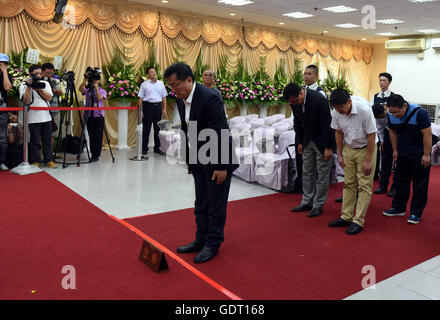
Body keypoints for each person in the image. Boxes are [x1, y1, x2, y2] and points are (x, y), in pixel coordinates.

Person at [164, 62, 238, 264]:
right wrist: (190, 159)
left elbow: (221, 130)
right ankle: (200, 239)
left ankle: (212, 244)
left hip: (218, 160)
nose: (173, 90)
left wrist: (222, 166)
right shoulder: (181, 99)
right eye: (170, 86)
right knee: (201, 203)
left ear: (189, 80)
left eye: (176, 85)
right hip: (199, 159)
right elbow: (189, 131)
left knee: (215, 205)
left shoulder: (209, 97)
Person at [328, 89, 378, 235]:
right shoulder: (336, 112)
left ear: (349, 101)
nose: (339, 111)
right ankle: (346, 216)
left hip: (365, 147)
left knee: (364, 185)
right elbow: (338, 132)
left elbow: (371, 135)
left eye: (341, 107)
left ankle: (358, 220)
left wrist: (368, 160)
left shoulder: (364, 110)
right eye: (336, 108)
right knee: (349, 183)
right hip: (349, 147)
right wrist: (340, 153)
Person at [283, 83, 334, 217]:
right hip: (306, 141)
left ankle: (318, 205)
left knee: (322, 174)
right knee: (307, 171)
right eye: (291, 103)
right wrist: (299, 141)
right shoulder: (293, 101)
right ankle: (307, 201)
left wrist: (328, 147)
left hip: (322, 141)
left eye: (295, 101)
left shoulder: (318, 99)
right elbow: (297, 122)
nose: (294, 104)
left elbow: (327, 125)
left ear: (301, 93)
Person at [382, 94, 432, 225]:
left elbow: (427, 134)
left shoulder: (420, 113)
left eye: (397, 113)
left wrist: (427, 154)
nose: (394, 115)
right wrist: (395, 150)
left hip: (419, 153)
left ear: (404, 106)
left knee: (419, 184)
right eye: (391, 112)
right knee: (400, 181)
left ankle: (416, 212)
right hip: (402, 152)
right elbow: (392, 132)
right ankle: (398, 207)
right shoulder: (391, 113)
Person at [287, 65, 327, 194]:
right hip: (303, 134)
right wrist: (299, 139)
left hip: (316, 134)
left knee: (315, 166)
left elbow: (324, 121)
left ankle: (313, 192)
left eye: (309, 74)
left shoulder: (320, 94)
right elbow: (297, 118)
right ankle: (300, 186)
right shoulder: (297, 92)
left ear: (316, 76)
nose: (306, 76)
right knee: (302, 163)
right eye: (305, 74)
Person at [19, 64, 57, 168]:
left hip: (46, 117)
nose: (39, 76)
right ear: (30, 74)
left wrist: (38, 89)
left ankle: (48, 160)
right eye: (36, 74)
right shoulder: (23, 85)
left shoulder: (45, 84)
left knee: (47, 140)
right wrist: (29, 87)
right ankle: (36, 161)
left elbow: (49, 98)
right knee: (34, 141)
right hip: (32, 118)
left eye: (40, 73)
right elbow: (26, 101)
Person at [372, 72, 396, 197]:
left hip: (396, 131)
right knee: (385, 159)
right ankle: (383, 185)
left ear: (389, 82)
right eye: (380, 80)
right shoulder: (375, 97)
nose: (382, 82)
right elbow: (377, 121)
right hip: (384, 132)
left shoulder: (394, 97)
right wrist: (381, 139)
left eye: (384, 80)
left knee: (397, 160)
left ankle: (395, 187)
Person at [138, 67, 168, 155]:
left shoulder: (161, 83)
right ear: (148, 75)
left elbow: (164, 97)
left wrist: (164, 109)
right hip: (148, 107)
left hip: (158, 107)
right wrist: (141, 111)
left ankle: (157, 148)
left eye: (154, 72)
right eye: (151, 72)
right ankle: (144, 148)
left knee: (157, 129)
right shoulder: (144, 84)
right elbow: (140, 98)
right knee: (146, 128)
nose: (154, 73)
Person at [79, 70, 106, 162]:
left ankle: (96, 155)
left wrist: (96, 88)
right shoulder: (88, 91)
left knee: (98, 136)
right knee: (91, 135)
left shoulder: (102, 91)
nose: (95, 80)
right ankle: (92, 153)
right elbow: (80, 89)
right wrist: (85, 80)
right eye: (94, 79)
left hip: (99, 116)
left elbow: (99, 98)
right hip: (89, 116)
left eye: (96, 79)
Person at [42, 63, 63, 154]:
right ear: (42, 71)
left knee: (53, 133)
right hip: (42, 111)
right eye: (47, 72)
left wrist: (56, 91)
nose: (49, 74)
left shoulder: (54, 81)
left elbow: (60, 92)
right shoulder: (39, 81)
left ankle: (49, 154)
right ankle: (41, 154)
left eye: (51, 72)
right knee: (41, 133)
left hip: (54, 109)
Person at [0, 53, 13, 171]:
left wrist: (4, 72)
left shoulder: (7, 75)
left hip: (2, 111)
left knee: (3, 137)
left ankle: (2, 161)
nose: (0, 65)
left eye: (3, 64)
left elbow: (7, 87)